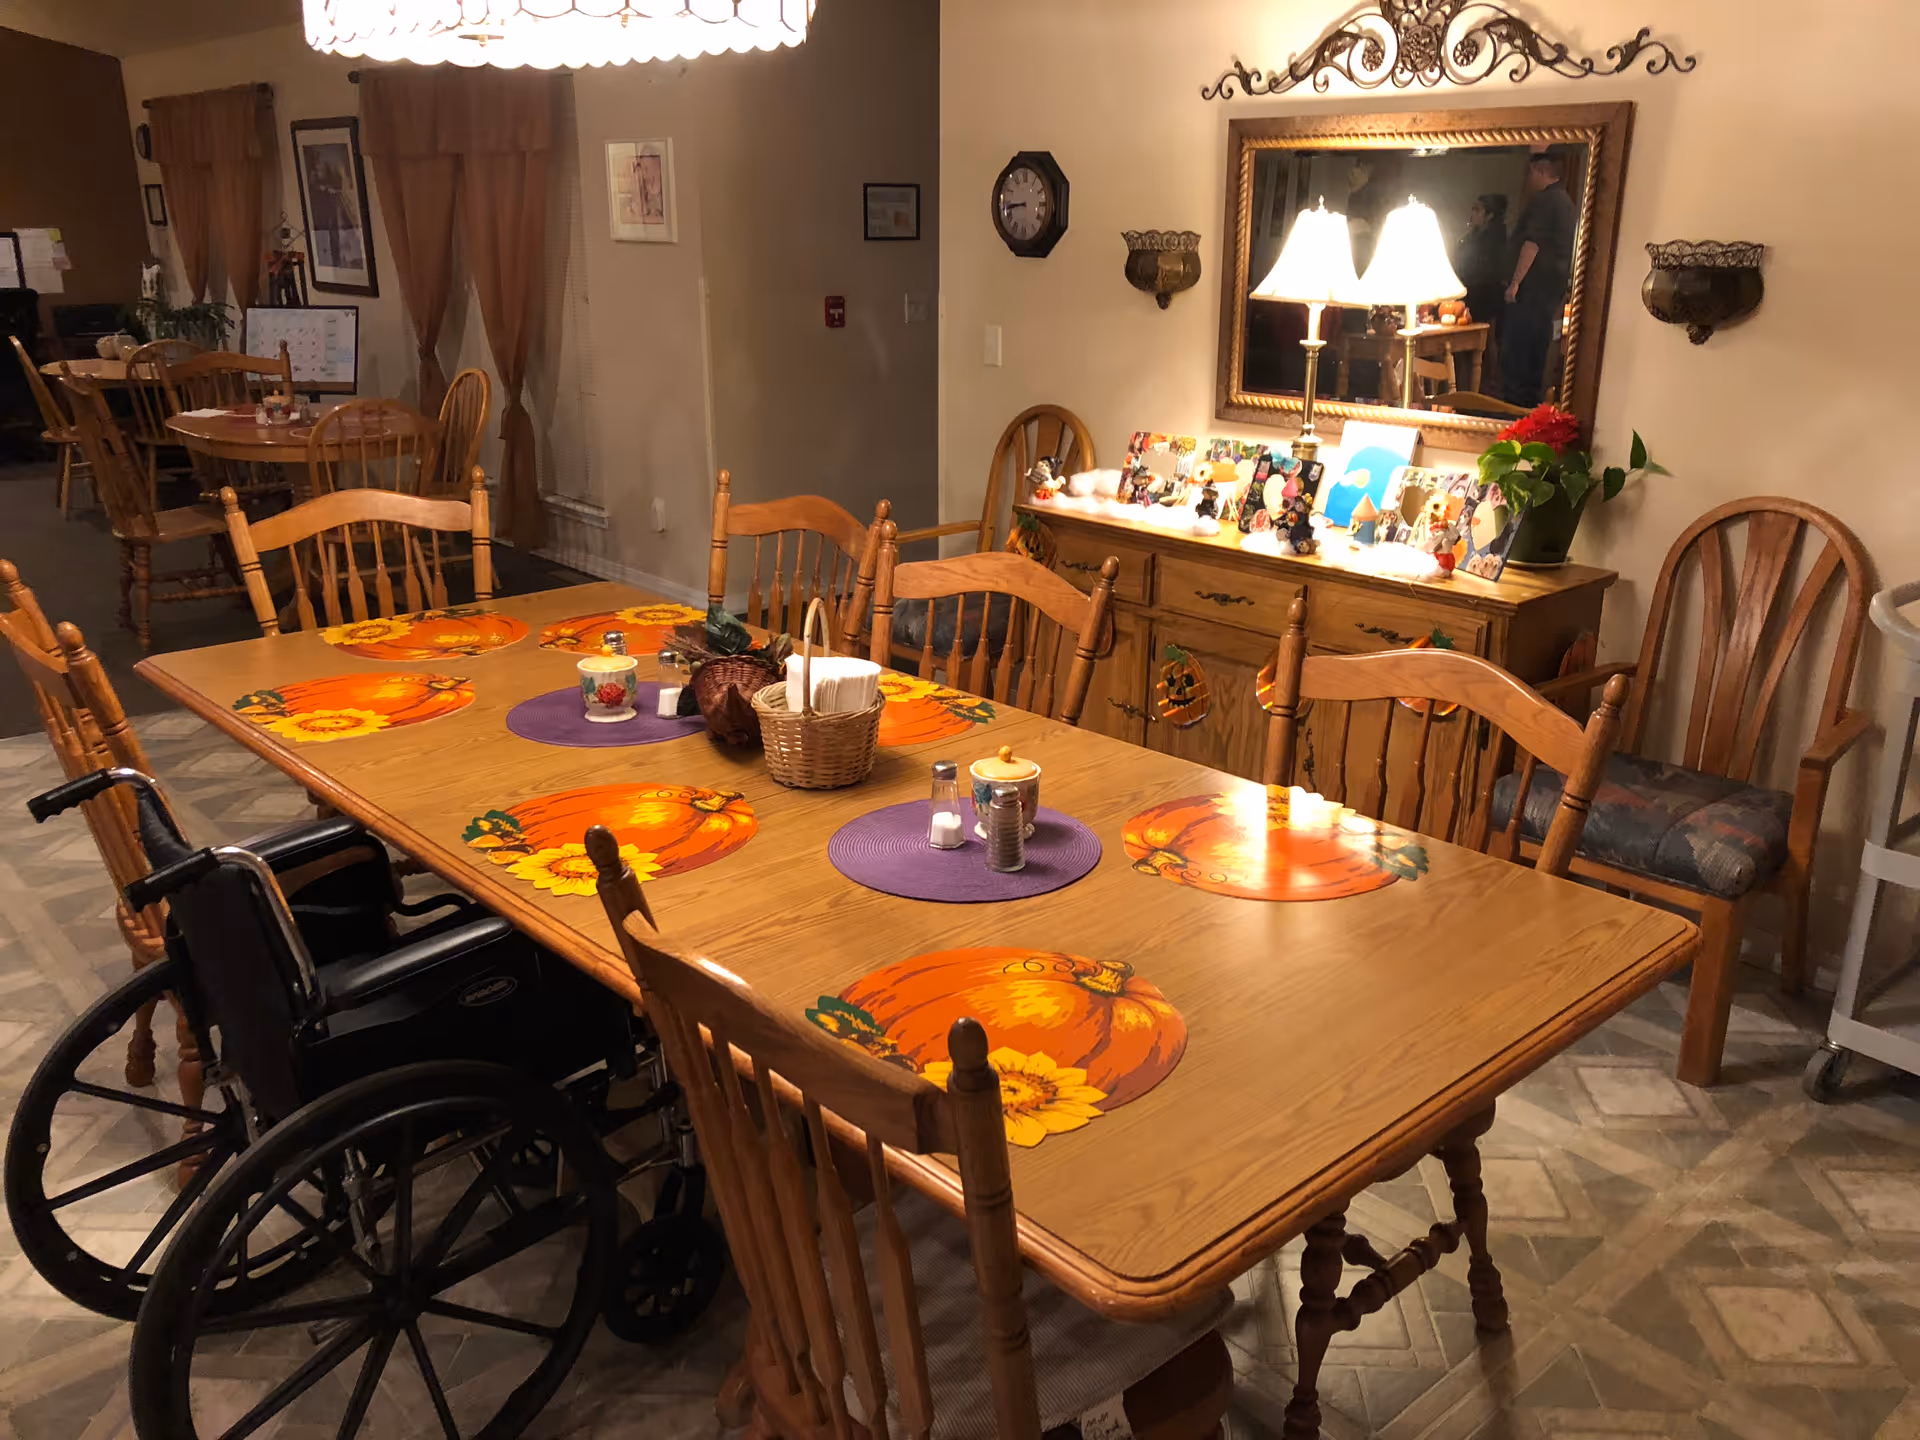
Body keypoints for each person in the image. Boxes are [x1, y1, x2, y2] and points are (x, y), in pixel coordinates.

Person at [1501, 152, 1576, 406]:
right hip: (1550, 291)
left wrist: (1515, 283)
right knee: (1537, 352)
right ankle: (1528, 407)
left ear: (1541, 172)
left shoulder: (1546, 201)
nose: (1529, 178)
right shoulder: (1566, 202)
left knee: (1517, 357)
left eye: (1531, 173)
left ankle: (1512, 410)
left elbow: (1532, 244)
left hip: (1532, 291)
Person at [1453, 194, 1508, 329]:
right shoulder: (1472, 238)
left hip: (1484, 298)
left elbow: (1488, 272)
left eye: (1477, 210)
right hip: (1470, 292)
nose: (1473, 213)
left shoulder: (1495, 241)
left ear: (1489, 215)